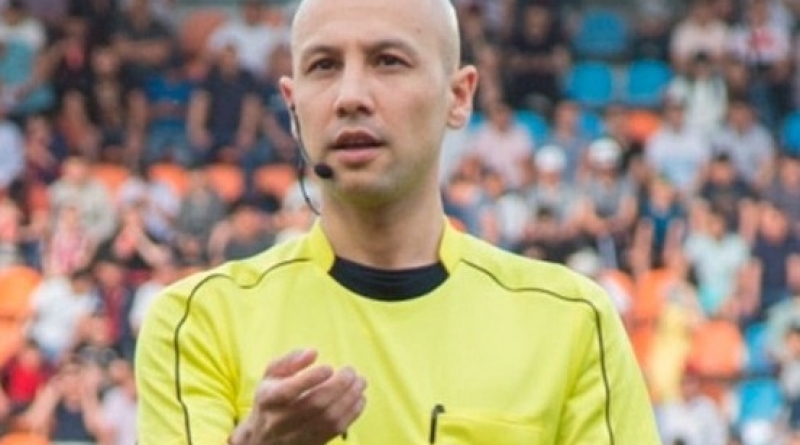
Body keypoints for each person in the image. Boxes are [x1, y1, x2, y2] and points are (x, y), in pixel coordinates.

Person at [135, 0, 660, 444]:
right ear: (292, 107)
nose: (350, 96)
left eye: (388, 61)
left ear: (459, 96)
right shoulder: (198, 323)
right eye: (323, 65)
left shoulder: (571, 322)